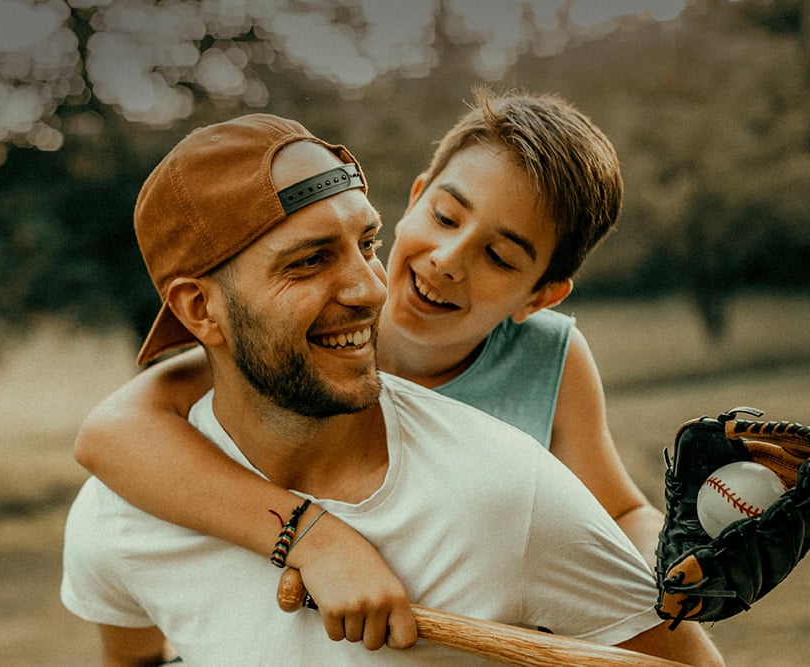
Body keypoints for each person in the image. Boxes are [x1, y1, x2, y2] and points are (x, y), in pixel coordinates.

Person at [61, 113, 723, 665]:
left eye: (363, 244)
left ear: (540, 296)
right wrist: (312, 534)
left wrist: (663, 568)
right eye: (309, 260)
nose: (373, 290)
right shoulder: (125, 503)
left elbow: (617, 512)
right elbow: (111, 433)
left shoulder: (515, 474)